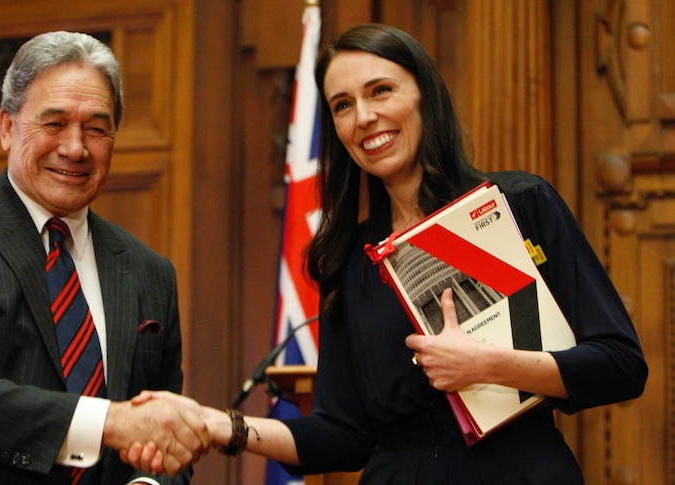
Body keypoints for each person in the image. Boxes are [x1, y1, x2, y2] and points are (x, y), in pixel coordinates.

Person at [127, 24, 648, 483]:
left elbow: (621, 365)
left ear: (424, 96)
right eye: (343, 105)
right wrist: (222, 426)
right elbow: (343, 434)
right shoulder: (348, 260)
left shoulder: (518, 204)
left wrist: (493, 366)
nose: (366, 117)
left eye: (381, 91)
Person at [0, 31, 209, 485]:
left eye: (96, 127)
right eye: (54, 124)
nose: (75, 148)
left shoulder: (150, 272)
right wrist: (106, 421)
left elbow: (161, 433)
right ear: (7, 128)